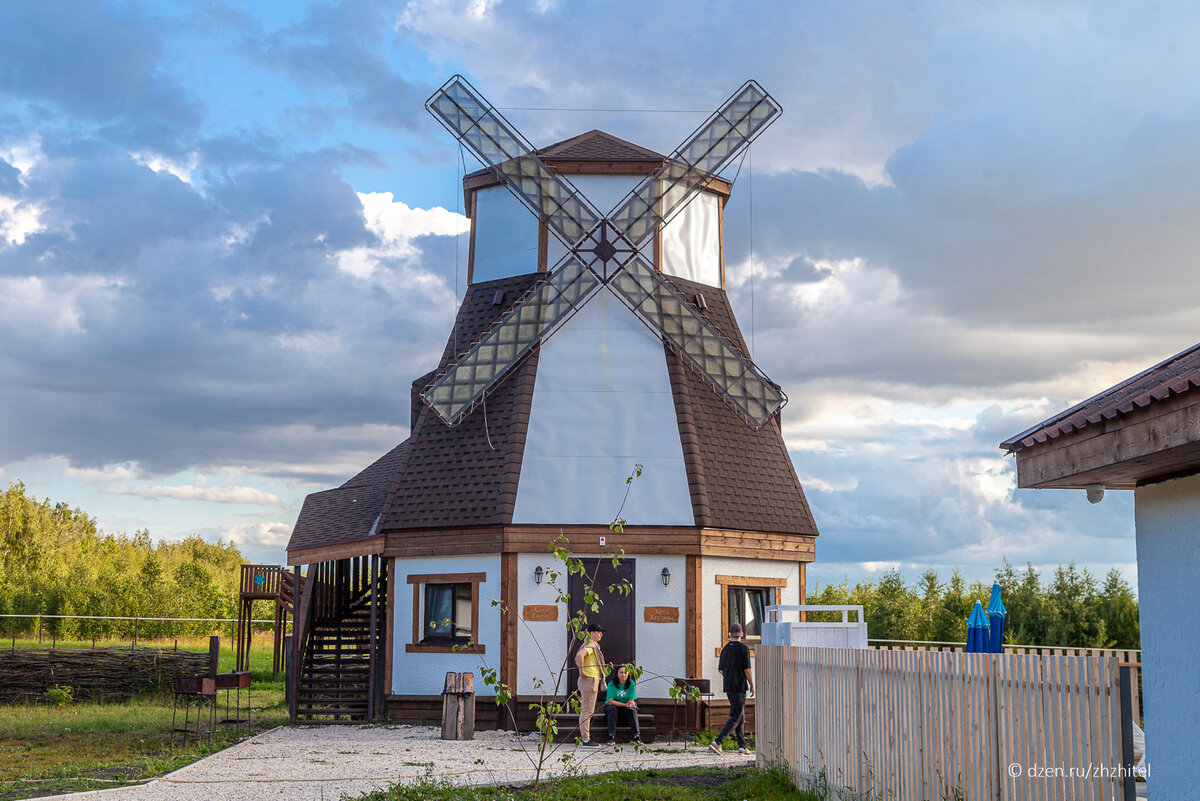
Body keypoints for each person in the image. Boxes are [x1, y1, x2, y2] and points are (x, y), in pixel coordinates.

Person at [709, 622, 754, 755]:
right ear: (742, 634)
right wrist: (752, 684)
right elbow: (747, 669)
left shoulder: (725, 649)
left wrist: (729, 676)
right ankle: (718, 742)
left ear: (730, 634)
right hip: (739, 686)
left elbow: (720, 670)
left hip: (728, 686)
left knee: (740, 715)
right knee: (736, 715)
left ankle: (742, 746)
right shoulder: (744, 649)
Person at [574, 623, 606, 747]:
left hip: (592, 679)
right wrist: (582, 671)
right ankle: (586, 739)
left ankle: (586, 739)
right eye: (599, 632)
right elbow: (579, 655)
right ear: (592, 633)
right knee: (587, 711)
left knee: (588, 710)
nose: (601, 634)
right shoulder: (590, 645)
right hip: (589, 680)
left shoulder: (592, 646)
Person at [602, 664, 641, 745]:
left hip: (626, 709)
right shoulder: (611, 684)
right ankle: (611, 737)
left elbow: (631, 700)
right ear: (617, 674)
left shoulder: (631, 683)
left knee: (632, 708)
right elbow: (610, 701)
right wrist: (625, 705)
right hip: (613, 708)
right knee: (612, 708)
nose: (623, 674)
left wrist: (630, 704)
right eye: (621, 672)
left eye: (625, 672)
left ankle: (637, 737)